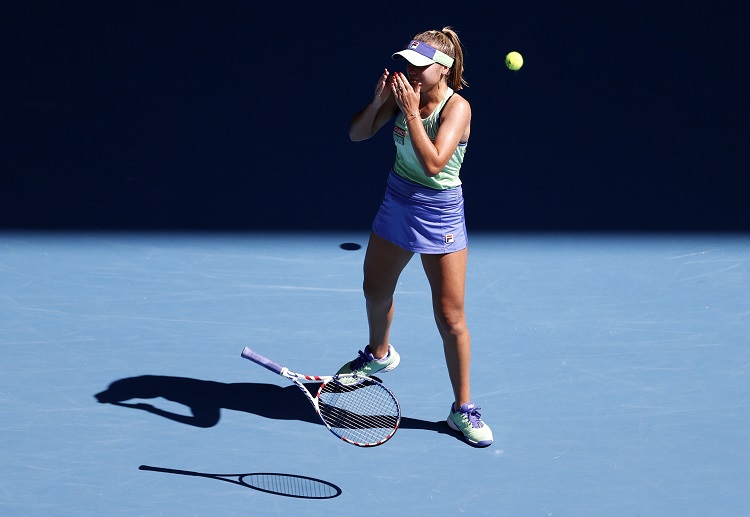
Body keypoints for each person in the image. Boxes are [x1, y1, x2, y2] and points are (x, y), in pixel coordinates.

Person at [337, 27, 492, 447]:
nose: (411, 72)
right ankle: (380, 354)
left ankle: (463, 410)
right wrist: (377, 101)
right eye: (408, 63)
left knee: (450, 317)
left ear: (443, 70)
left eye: (420, 67)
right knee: (374, 290)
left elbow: (432, 163)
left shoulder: (457, 108)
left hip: (439, 212)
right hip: (397, 200)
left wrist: (408, 112)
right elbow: (357, 134)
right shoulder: (400, 94)